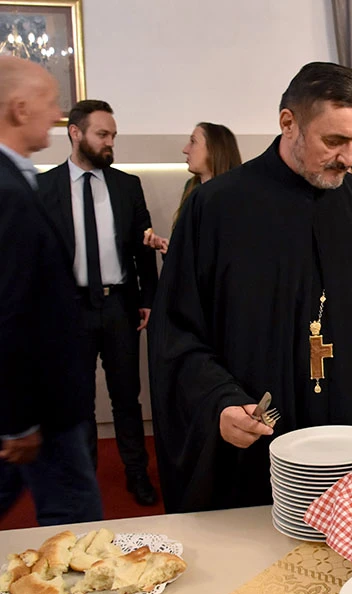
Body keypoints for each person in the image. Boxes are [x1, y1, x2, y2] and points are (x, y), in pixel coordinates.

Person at [147, 62, 352, 514]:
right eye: (334, 140)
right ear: (289, 123)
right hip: (258, 448)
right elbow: (177, 332)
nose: (349, 157)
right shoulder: (217, 209)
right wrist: (219, 403)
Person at [37, 100, 160, 507]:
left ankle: (137, 475)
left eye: (113, 136)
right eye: (102, 135)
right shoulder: (45, 187)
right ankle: (83, 480)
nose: (110, 143)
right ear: (76, 133)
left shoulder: (127, 185)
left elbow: (143, 249)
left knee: (127, 396)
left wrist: (148, 299)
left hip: (119, 305)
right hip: (68, 309)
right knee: (78, 399)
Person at [0, 57, 103, 525]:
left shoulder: (16, 180)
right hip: (38, 406)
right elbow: (10, 310)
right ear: (19, 109)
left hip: (39, 403)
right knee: (76, 521)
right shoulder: (8, 190)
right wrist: (18, 420)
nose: (58, 112)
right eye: (49, 101)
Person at [143, 122, 242, 254]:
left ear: (213, 149)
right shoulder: (191, 187)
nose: (185, 149)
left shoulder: (237, 195)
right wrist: (171, 250)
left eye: (193, 142)